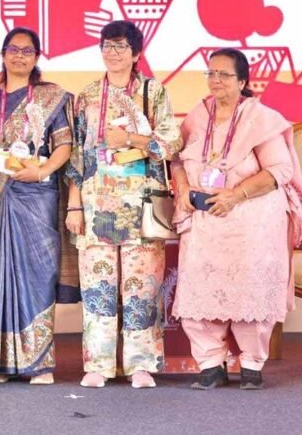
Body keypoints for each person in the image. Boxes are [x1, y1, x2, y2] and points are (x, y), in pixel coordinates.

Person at [171, 48, 302, 390]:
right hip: (204, 220)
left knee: (249, 292)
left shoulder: (262, 118)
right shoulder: (198, 115)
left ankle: (251, 363)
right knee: (200, 291)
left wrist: (236, 195)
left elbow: (279, 170)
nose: (215, 80)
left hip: (250, 219)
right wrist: (183, 187)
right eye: (211, 73)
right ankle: (210, 364)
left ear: (243, 81)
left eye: (224, 74)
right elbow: (177, 159)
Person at [65, 20, 182, 389]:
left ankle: (141, 364)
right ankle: (98, 364)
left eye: (120, 46)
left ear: (136, 53)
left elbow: (171, 142)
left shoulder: (153, 91)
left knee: (142, 285)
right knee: (97, 284)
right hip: (97, 202)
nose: (112, 53)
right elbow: (76, 155)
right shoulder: (87, 95)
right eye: (107, 45)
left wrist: (131, 138)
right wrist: (74, 205)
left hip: (142, 203)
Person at [0, 27, 74, 385]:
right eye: (13, 49)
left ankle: (38, 363)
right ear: (3, 54)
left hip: (37, 194)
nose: (19, 56)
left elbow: (64, 144)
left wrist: (42, 170)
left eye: (27, 51)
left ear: (37, 57)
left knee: (37, 275)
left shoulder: (51, 96)